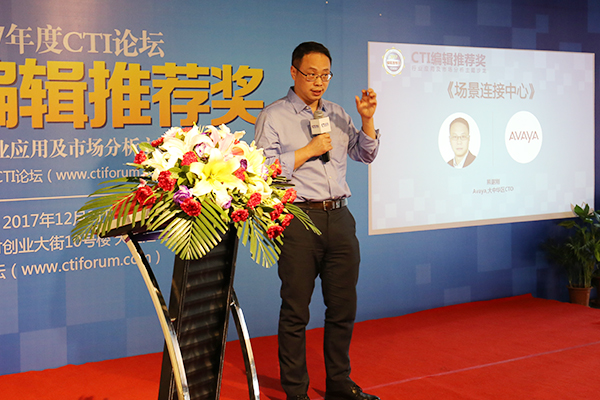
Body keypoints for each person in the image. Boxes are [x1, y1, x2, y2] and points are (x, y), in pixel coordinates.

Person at [255, 42, 381, 400]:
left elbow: (365, 154)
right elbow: (261, 170)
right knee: (296, 310)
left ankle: (339, 382)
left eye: (325, 75)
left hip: (339, 218)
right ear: (293, 72)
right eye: (311, 75)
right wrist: (308, 150)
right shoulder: (273, 116)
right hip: (299, 220)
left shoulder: (338, 113)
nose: (318, 82)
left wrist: (367, 120)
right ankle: (296, 391)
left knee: (343, 308)